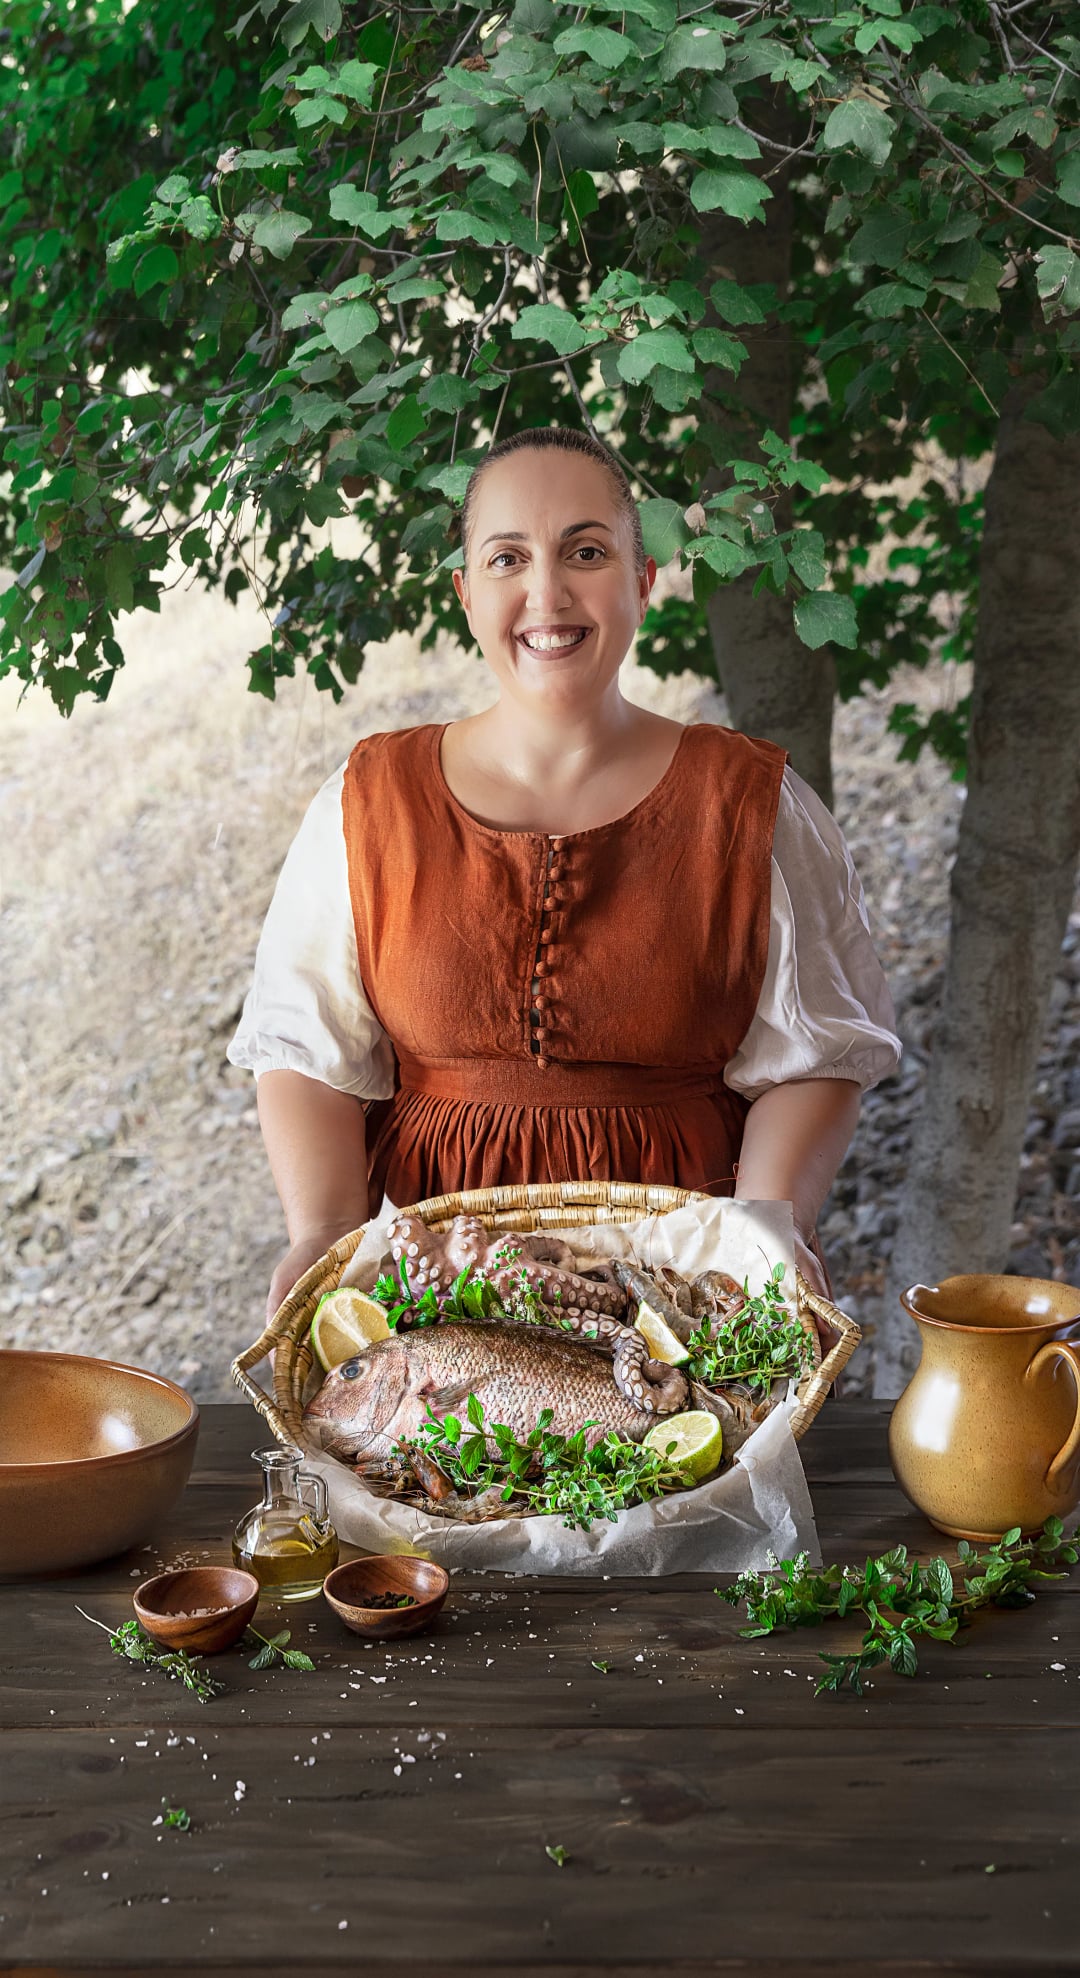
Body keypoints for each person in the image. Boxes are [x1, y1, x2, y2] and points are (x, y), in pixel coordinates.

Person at [228, 427, 901, 1329]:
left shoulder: (755, 804)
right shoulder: (365, 804)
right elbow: (310, 1052)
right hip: (434, 1288)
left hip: (681, 1287)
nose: (546, 592)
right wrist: (321, 1230)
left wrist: (764, 1236)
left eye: (587, 551)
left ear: (643, 580)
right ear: (466, 594)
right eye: (508, 558)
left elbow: (815, 1055)